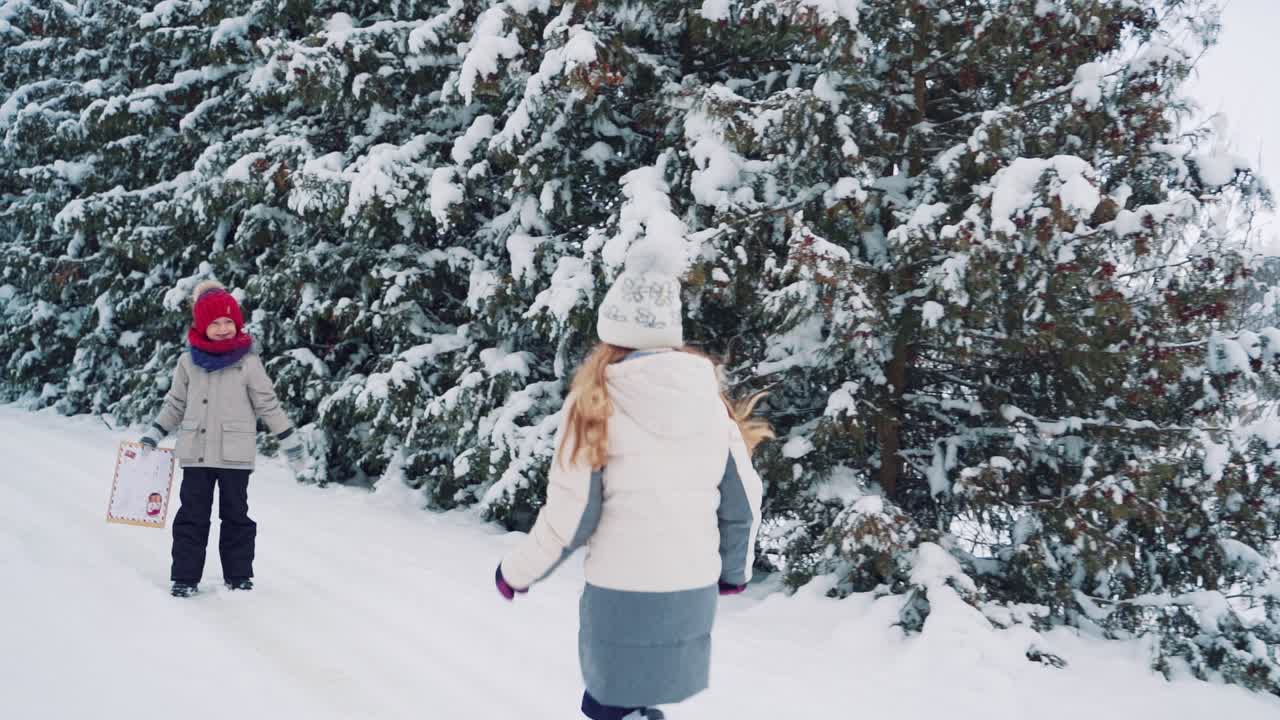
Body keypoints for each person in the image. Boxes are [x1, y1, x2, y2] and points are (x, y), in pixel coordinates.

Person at [495, 241, 769, 719]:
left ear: (610, 335)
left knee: (607, 704)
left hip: (621, 595)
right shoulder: (710, 404)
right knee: (629, 701)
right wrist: (733, 574)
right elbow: (741, 503)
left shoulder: (593, 407)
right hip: (692, 594)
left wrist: (517, 572)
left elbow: (572, 516)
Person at [139, 280, 305, 597]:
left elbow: (267, 403)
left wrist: (288, 438)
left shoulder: (248, 362)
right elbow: (175, 404)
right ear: (202, 325)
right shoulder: (188, 362)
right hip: (196, 452)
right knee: (191, 517)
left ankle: (239, 575)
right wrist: (155, 432)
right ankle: (185, 578)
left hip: (235, 454)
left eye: (229, 321)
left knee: (236, 516)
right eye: (215, 322)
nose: (224, 328)